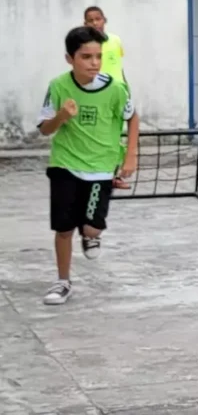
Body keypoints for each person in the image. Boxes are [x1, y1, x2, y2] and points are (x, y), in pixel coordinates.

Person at [37, 26, 139, 305]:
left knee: (92, 228)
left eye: (98, 56)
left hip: (101, 168)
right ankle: (62, 281)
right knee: (63, 229)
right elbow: (45, 130)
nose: (94, 62)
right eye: (86, 57)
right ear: (70, 59)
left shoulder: (116, 89)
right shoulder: (58, 86)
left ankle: (91, 235)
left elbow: (132, 118)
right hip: (65, 165)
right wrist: (61, 115)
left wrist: (131, 156)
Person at [84, 6, 133, 190]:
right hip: (98, 96)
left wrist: (127, 89)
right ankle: (93, 176)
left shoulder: (115, 40)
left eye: (98, 18)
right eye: (91, 20)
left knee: (115, 137)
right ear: (85, 24)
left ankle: (114, 176)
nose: (95, 23)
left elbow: (119, 67)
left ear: (104, 20)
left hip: (118, 95)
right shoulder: (86, 45)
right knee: (96, 137)